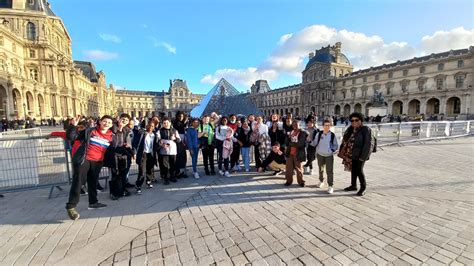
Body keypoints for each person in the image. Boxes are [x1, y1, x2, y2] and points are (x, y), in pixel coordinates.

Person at [65, 115, 116, 220]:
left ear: (111, 125)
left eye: (109, 123)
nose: (106, 124)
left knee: (93, 182)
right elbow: (72, 137)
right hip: (85, 160)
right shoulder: (90, 131)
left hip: (97, 162)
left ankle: (93, 202)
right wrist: (73, 126)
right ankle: (71, 207)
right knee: (78, 182)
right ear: (100, 122)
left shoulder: (111, 136)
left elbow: (111, 151)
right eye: (105, 121)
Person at [338, 112, 372, 196]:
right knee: (353, 169)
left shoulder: (365, 130)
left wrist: (363, 156)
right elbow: (345, 140)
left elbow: (368, 144)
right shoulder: (350, 129)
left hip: (360, 154)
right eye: (352, 120)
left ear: (361, 120)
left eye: (356, 120)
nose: (354, 122)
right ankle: (353, 185)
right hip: (351, 153)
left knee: (359, 170)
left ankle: (363, 188)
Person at [109, 114, 134, 199]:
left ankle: (122, 190)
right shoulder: (113, 127)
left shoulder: (126, 129)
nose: (124, 121)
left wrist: (129, 147)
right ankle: (113, 192)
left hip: (123, 154)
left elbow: (128, 141)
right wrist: (119, 127)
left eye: (126, 120)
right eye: (123, 119)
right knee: (114, 174)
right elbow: (113, 140)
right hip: (113, 154)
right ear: (119, 119)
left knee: (123, 173)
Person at [312, 119, 338, 194]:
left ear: (330, 126)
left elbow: (335, 145)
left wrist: (331, 150)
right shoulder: (319, 134)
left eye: (328, 125)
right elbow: (314, 143)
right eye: (325, 125)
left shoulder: (332, 135)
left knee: (329, 171)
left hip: (329, 155)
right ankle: (321, 181)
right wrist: (308, 141)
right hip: (320, 154)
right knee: (320, 169)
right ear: (323, 126)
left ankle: (330, 186)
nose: (327, 127)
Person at [133, 120, 158, 193]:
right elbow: (135, 142)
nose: (150, 127)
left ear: (154, 127)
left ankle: (148, 181)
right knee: (142, 170)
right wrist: (134, 152)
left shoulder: (154, 135)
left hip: (150, 154)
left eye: (152, 126)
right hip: (143, 154)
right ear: (146, 126)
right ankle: (138, 185)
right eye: (149, 125)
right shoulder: (142, 133)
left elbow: (155, 145)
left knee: (150, 169)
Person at [157, 117, 181, 184]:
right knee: (165, 166)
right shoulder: (160, 131)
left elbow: (179, 140)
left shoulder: (174, 130)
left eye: (167, 123)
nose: (166, 124)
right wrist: (161, 144)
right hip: (164, 151)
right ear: (162, 124)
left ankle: (172, 176)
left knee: (173, 164)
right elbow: (158, 140)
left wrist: (174, 138)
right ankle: (165, 178)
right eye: (164, 123)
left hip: (173, 151)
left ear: (170, 123)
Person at [284, 120, 308, 187]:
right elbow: (286, 142)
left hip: (298, 153)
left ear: (299, 124)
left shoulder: (302, 132)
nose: (295, 125)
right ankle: (288, 181)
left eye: (296, 124)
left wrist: (290, 143)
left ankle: (301, 181)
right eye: (293, 124)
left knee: (299, 168)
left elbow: (300, 143)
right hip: (290, 152)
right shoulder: (291, 132)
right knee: (288, 168)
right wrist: (288, 139)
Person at [173, 112, 188, 178]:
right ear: (177, 116)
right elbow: (178, 127)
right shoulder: (175, 122)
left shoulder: (184, 123)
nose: (181, 118)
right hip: (178, 141)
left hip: (183, 139)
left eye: (182, 116)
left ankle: (183, 171)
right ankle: (178, 172)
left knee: (183, 156)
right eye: (179, 116)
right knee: (178, 156)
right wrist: (184, 123)